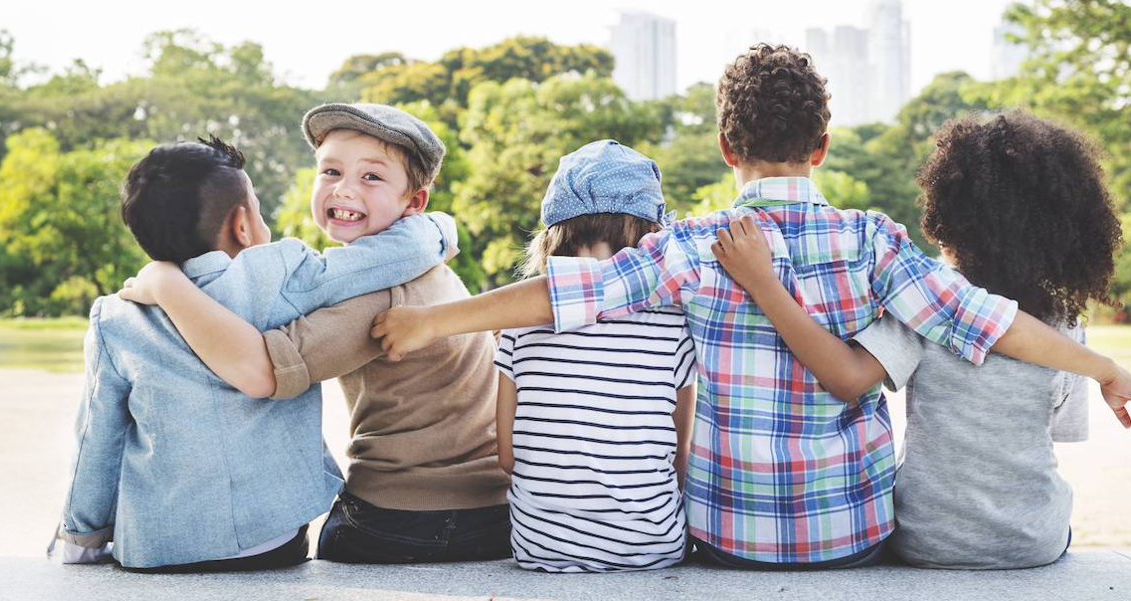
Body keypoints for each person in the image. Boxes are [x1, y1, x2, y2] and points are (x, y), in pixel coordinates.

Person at [367, 44, 1131, 569]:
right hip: (850, 536)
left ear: (727, 146)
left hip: (731, 535)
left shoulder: (696, 244)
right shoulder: (875, 241)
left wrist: (434, 318)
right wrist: (1100, 365)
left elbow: (574, 292)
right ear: (823, 145)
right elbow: (985, 320)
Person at [708, 111, 1120, 569]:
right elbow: (1056, 437)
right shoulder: (1066, 333)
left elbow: (847, 377)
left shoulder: (918, 312)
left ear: (947, 217)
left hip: (925, 540)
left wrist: (765, 285)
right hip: (1032, 544)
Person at [117, 103, 509, 564]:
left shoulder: (374, 293)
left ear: (414, 202)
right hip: (492, 511)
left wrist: (167, 283)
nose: (344, 189)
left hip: (408, 515)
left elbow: (260, 372)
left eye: (372, 177)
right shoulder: (424, 256)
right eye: (331, 171)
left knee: (320, 538)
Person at [53, 135, 459, 572]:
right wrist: (439, 225)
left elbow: (96, 439)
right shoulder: (279, 274)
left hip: (156, 546)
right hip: (271, 541)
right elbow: (393, 255)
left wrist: (82, 536)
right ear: (243, 226)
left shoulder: (114, 317)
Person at [491, 140, 698, 572]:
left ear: (552, 237)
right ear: (650, 239)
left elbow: (507, 456)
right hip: (651, 548)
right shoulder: (674, 325)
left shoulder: (518, 323)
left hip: (539, 548)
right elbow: (681, 457)